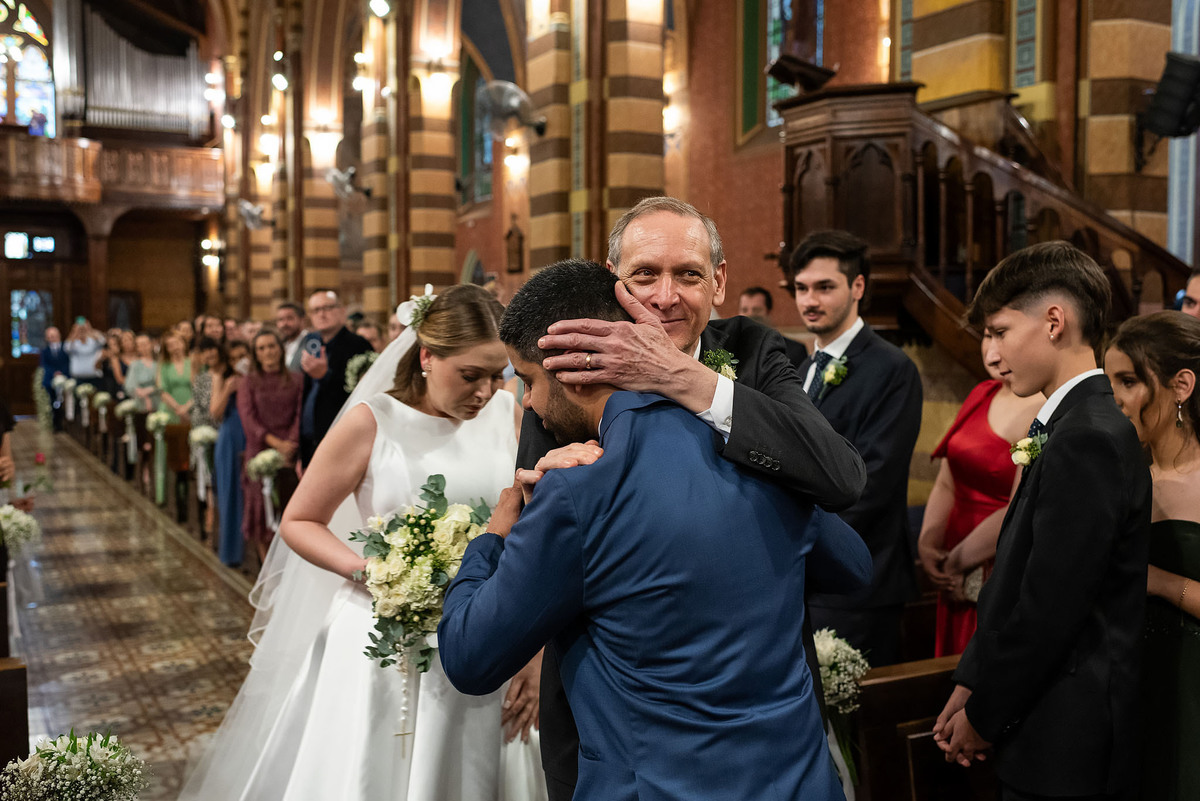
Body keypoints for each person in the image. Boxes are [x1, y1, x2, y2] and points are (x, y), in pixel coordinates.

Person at [441, 261, 869, 801]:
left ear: (575, 367)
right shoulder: (757, 455)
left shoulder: (575, 492)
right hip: (797, 782)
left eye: (527, 381)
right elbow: (853, 568)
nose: (527, 402)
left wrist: (495, 537)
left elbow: (468, 657)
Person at [178, 285, 545, 801]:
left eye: (496, 374)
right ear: (426, 356)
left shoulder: (508, 416)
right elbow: (300, 520)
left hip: (486, 634)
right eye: (470, 375)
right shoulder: (373, 421)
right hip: (385, 638)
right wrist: (373, 572)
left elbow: (531, 539)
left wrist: (535, 653)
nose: (485, 391)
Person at [933, 241, 1151, 801]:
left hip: (1067, 728)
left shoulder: (1088, 438)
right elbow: (1015, 571)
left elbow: (1051, 606)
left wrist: (985, 713)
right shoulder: (1067, 424)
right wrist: (970, 679)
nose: (993, 350)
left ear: (1055, 321)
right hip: (1043, 711)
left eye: (1001, 330)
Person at [791, 230, 923, 667]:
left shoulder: (892, 368)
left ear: (858, 288)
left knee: (854, 729)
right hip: (802, 575)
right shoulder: (804, 368)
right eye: (802, 288)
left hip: (859, 574)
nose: (810, 300)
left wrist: (796, 537)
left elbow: (875, 479)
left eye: (825, 287)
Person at [1104, 311, 1200, 801]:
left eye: (1128, 381)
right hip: (1125, 681)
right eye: (1109, 382)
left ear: (1181, 385)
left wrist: (1160, 582)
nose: (1115, 399)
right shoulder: (1122, 474)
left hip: (1190, 684)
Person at [917, 336, 1041, 656]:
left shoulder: (1042, 408)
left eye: (1003, 334)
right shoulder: (982, 391)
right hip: (954, 548)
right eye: (987, 335)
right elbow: (948, 479)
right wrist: (929, 544)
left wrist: (958, 560)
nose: (992, 349)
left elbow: (1019, 506)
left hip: (994, 554)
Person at [239, 330, 303, 563]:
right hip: (260, 450)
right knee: (261, 509)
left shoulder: (297, 379)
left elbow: (300, 413)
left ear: (280, 348)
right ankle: (266, 567)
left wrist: (291, 443)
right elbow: (248, 418)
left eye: (272, 346)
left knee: (290, 507)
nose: (268, 352)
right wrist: (275, 444)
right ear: (256, 354)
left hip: (291, 452)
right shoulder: (249, 382)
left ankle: (290, 565)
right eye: (262, 348)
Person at [298, 290, 374, 467]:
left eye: (327, 308)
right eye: (316, 310)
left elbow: (363, 393)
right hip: (311, 441)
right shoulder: (313, 344)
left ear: (342, 310)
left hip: (343, 438)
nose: (321, 314)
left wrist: (326, 376)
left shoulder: (358, 344)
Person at [212, 339, 249, 567]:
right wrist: (228, 389)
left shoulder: (255, 375)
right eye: (232, 358)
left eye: (241, 356)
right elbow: (215, 412)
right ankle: (232, 551)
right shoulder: (221, 376)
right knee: (230, 493)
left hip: (250, 434)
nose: (237, 362)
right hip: (229, 436)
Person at [157, 330, 194, 518]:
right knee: (172, 454)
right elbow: (162, 390)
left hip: (191, 409)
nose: (174, 347)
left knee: (190, 453)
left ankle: (190, 498)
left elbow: (199, 387)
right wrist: (178, 409)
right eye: (170, 345)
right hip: (170, 412)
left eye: (177, 343)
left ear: (184, 343)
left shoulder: (192, 362)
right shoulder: (164, 365)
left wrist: (187, 407)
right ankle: (170, 497)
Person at [738, 285, 807, 365]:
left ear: (769, 312)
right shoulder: (729, 348)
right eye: (744, 310)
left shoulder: (794, 351)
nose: (750, 315)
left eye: (756, 310)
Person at [39, 326, 70, 430]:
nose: (52, 338)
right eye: (50, 336)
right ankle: (55, 423)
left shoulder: (66, 348)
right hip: (50, 379)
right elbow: (45, 365)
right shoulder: (45, 351)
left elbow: (68, 362)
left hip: (65, 377)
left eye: (54, 336)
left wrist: (62, 373)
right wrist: (54, 373)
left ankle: (65, 422)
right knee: (52, 401)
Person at [65, 318, 106, 386]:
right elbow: (67, 348)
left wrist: (89, 329)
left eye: (83, 329)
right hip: (78, 378)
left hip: (94, 377)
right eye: (80, 330)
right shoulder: (73, 343)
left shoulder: (93, 341)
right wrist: (75, 331)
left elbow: (103, 341)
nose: (81, 331)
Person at [275, 302, 308, 371]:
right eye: (280, 319)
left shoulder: (311, 343)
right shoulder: (278, 345)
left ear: (302, 320)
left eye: (289, 318)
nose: (284, 324)